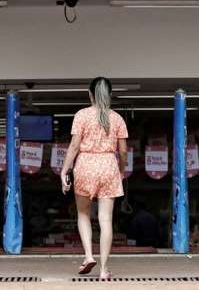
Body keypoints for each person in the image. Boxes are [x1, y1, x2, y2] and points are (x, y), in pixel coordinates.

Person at [61, 77, 128, 281]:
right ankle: (104, 270)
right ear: (109, 95)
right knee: (106, 219)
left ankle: (89, 255)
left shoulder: (81, 115)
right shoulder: (117, 118)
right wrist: (121, 170)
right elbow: (123, 151)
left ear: (90, 94)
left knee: (83, 214)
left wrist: (64, 170)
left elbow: (74, 146)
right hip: (108, 164)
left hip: (85, 165)